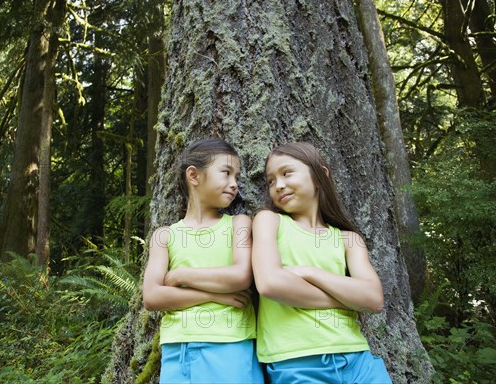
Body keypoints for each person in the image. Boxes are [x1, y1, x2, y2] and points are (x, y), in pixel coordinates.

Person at [252, 142, 392, 383]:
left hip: (357, 359)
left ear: (319, 175)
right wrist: (347, 302)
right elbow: (270, 284)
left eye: (286, 173)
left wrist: (309, 272)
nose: (279, 185)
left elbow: (373, 299)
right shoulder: (269, 221)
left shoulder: (349, 239)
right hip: (296, 360)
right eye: (271, 181)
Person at [143, 138, 263, 384]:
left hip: (231, 344)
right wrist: (215, 296)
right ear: (194, 176)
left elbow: (240, 276)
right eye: (226, 173)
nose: (234, 184)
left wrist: (182, 276)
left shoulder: (239, 224)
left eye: (236, 177)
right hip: (178, 349)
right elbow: (153, 297)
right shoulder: (164, 236)